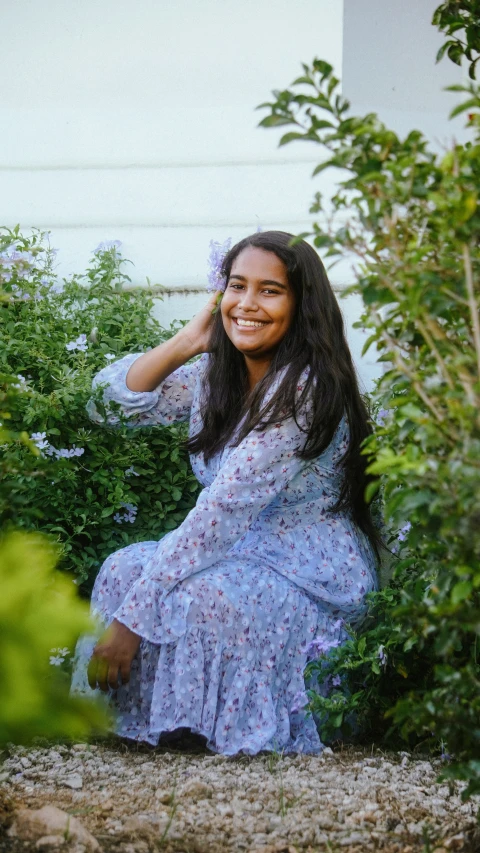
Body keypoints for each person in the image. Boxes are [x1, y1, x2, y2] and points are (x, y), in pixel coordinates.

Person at [71, 230, 381, 756]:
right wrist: (188, 342)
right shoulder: (218, 375)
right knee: (124, 568)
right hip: (236, 552)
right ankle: (130, 720)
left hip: (305, 570)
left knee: (201, 597)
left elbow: (220, 512)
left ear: (302, 304)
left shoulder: (304, 391)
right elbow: (108, 406)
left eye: (270, 290)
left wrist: (130, 621)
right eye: (237, 286)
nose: (248, 304)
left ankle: (193, 729)